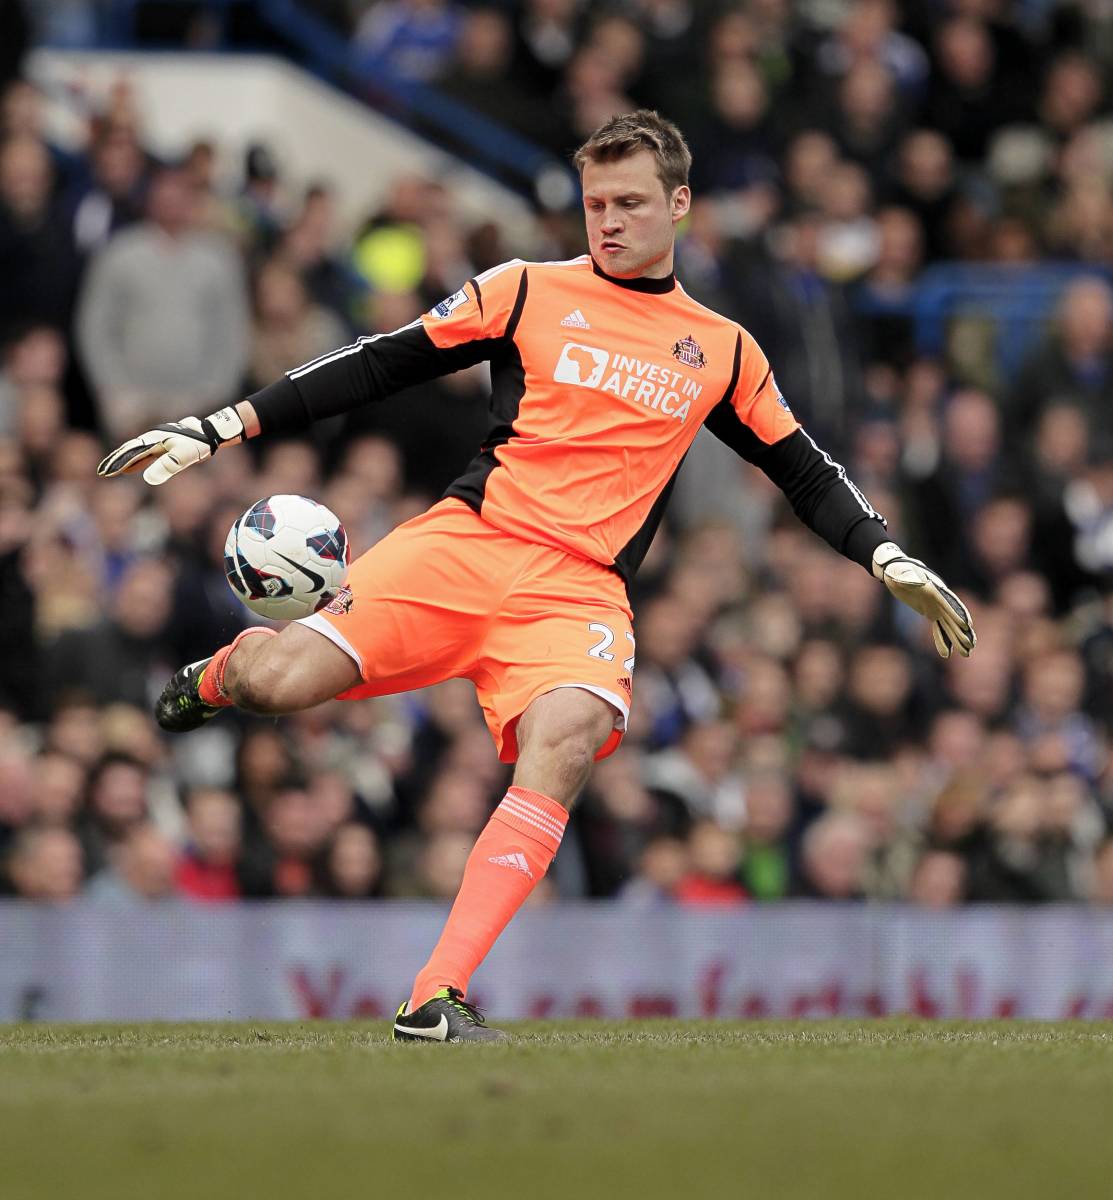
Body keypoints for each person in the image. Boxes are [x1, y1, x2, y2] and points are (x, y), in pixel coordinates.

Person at [96, 110, 976, 1042]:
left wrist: (882, 550)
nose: (608, 221)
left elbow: (802, 467)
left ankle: (433, 992)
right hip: (464, 545)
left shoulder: (718, 347)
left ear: (678, 205)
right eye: (596, 203)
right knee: (280, 684)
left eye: (630, 203)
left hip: (578, 589)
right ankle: (228, 670)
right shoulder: (524, 290)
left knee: (567, 739)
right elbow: (383, 362)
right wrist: (227, 422)